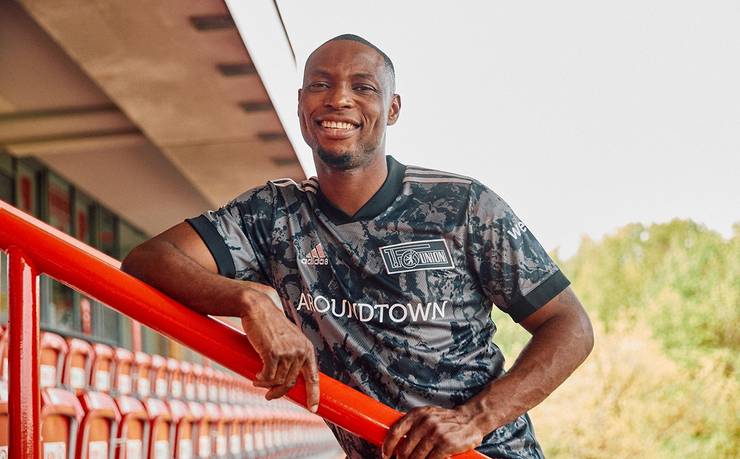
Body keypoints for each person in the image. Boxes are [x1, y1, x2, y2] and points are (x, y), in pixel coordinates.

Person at [121, 34, 594, 459]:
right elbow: (149, 260)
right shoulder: (272, 215)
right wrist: (250, 300)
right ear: (301, 106)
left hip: (484, 453)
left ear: (392, 109)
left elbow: (570, 325)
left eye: (363, 87)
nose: (339, 99)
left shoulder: (462, 205)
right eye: (320, 85)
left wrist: (474, 419)